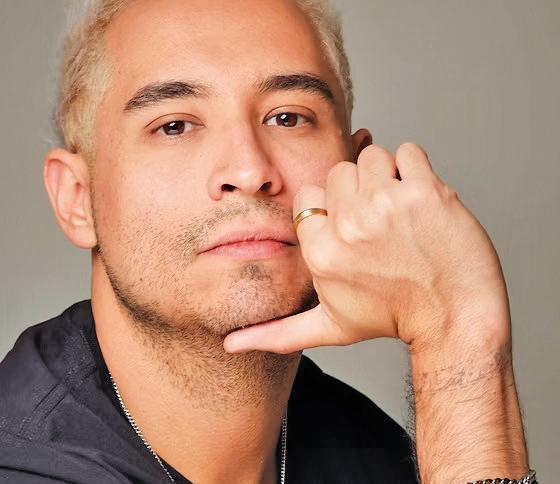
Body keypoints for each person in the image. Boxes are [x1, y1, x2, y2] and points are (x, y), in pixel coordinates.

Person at [0, 0, 535, 483]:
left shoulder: (377, 453)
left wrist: (456, 332)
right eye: (175, 126)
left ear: (355, 172)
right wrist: (456, 336)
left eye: (288, 117)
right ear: (78, 198)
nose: (249, 169)